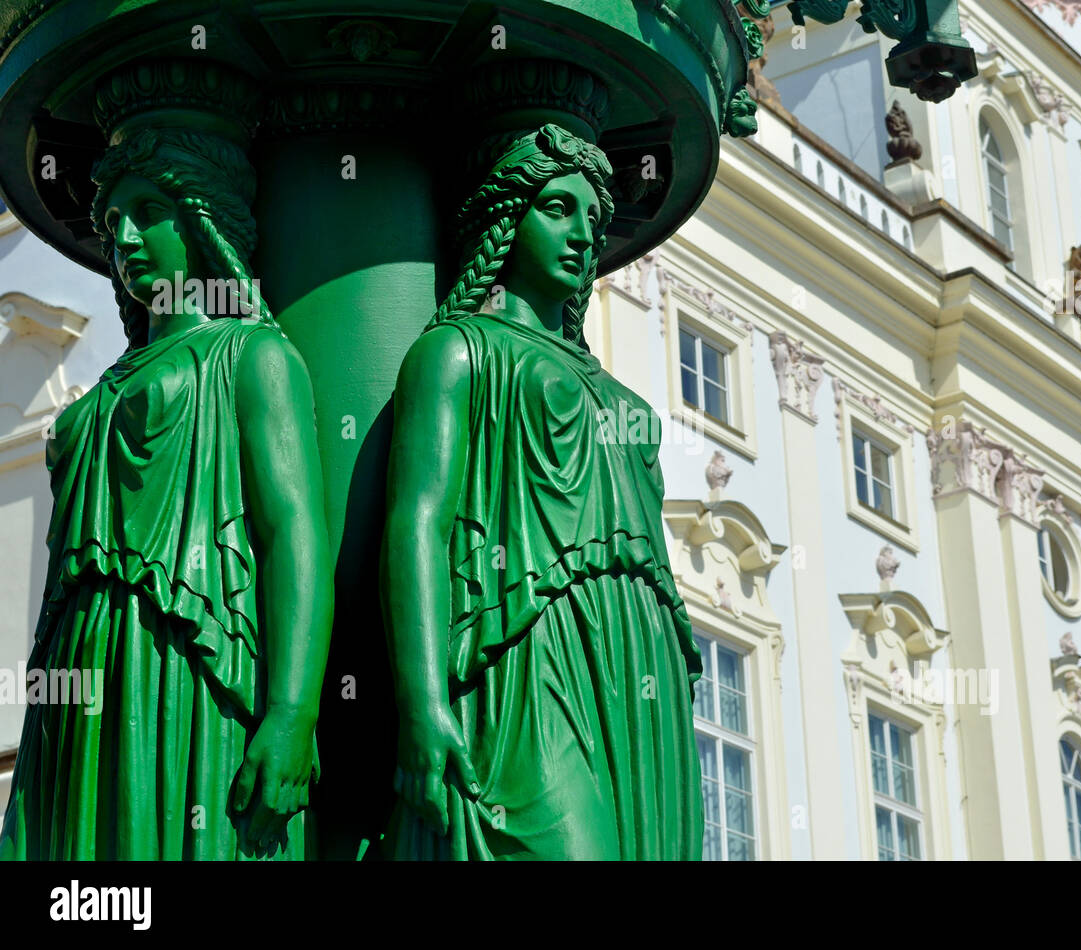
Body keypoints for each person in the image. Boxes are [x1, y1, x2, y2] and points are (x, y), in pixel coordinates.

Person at [0, 126, 333, 860]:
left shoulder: (252, 356)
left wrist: (291, 714)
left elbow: (291, 538)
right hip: (80, 681)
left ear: (204, 219)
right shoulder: (95, 397)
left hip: (189, 669)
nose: (126, 236)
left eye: (150, 210)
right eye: (113, 221)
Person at [381, 123, 703, 859]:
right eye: (556, 208)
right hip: (531, 646)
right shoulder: (457, 350)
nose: (582, 234)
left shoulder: (625, 401)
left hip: (640, 660)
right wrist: (423, 703)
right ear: (505, 221)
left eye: (593, 218)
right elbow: (417, 524)